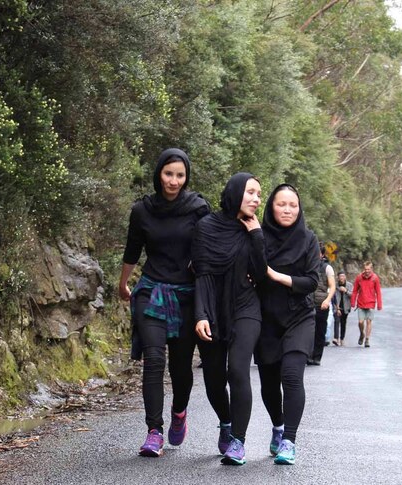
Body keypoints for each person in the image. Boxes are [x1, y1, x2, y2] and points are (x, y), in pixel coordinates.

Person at [119, 148, 231, 458]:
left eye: (180, 175)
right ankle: (154, 431)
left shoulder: (198, 209)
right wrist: (123, 283)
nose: (174, 180)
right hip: (152, 291)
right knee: (154, 360)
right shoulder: (142, 210)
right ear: (159, 174)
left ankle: (179, 411)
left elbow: (212, 246)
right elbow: (132, 249)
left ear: (186, 177)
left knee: (181, 369)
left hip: (186, 295)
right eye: (169, 174)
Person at [193, 172, 267, 466]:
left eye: (259, 194)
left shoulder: (254, 228)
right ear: (235, 192)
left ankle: (238, 441)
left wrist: (257, 235)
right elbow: (200, 273)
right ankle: (225, 422)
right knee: (213, 378)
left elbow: (261, 274)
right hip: (212, 307)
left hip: (246, 307)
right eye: (251, 192)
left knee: (238, 370)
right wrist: (200, 314)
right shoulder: (205, 228)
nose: (256, 199)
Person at [255, 184, 320, 465]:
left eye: (293, 205)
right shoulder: (258, 237)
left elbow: (312, 282)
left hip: (299, 316)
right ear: (271, 206)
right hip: (267, 318)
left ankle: (289, 441)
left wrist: (276, 276)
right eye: (281, 204)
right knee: (269, 384)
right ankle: (278, 426)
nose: (287, 209)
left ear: (299, 208)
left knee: (292, 376)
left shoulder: (308, 239)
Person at [307, 245, 335, 365]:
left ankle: (317, 357)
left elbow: (333, 286)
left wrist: (327, 300)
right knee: (307, 331)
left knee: (320, 331)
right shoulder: (306, 265)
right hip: (308, 303)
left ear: (322, 255)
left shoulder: (327, 268)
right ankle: (308, 356)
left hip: (321, 303)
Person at [351, 261, 382, 347]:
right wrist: (353, 302)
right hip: (361, 303)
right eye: (365, 269)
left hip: (371, 303)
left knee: (369, 321)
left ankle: (367, 339)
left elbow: (378, 292)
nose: (367, 271)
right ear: (363, 269)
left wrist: (379, 304)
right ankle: (362, 334)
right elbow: (355, 291)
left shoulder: (375, 278)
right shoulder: (359, 278)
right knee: (360, 322)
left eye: (368, 269)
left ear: (371, 269)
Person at [333, 270, 353, 346]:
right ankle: (336, 338)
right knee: (337, 321)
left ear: (345, 277)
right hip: (337, 306)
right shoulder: (335, 285)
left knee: (343, 323)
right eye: (340, 276)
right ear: (338, 277)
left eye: (343, 276)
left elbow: (352, 295)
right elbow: (333, 297)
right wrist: (337, 308)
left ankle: (342, 339)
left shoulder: (349, 285)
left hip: (345, 307)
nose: (342, 278)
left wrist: (346, 291)